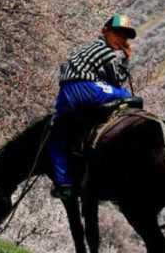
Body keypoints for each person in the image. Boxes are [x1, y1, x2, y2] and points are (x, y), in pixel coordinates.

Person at [48, 13, 137, 199]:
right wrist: (126, 60)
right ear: (105, 31)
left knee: (57, 139)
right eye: (117, 33)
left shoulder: (85, 49)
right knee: (129, 98)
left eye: (125, 36)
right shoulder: (106, 51)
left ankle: (64, 184)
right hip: (86, 88)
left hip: (65, 92)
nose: (121, 39)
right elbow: (117, 81)